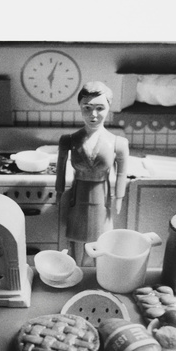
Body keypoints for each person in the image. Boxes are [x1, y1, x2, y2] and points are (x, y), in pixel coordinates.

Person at [56, 82, 129, 264]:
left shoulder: (117, 143)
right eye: (87, 108)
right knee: (76, 238)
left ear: (108, 108)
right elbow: (60, 169)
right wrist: (59, 194)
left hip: (102, 198)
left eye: (99, 108)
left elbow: (121, 174)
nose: (93, 114)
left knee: (101, 238)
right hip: (77, 196)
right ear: (80, 107)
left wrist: (118, 198)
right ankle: (77, 268)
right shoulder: (69, 140)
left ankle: (98, 272)